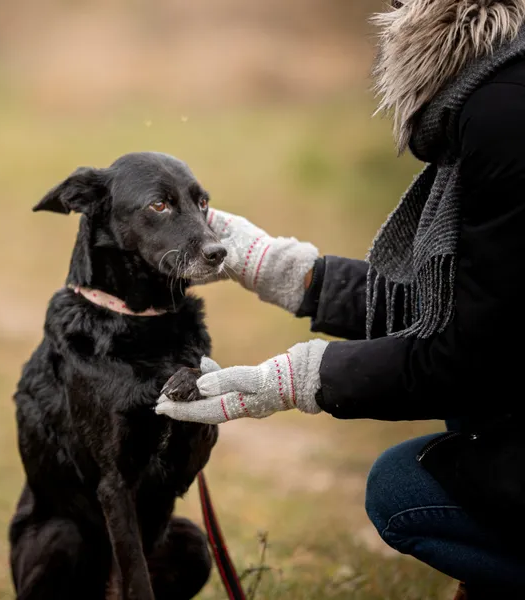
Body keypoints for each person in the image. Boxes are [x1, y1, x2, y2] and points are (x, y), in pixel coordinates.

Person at [157, 0, 525, 597]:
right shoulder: (498, 76)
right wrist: (288, 272)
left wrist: (299, 379)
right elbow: (474, 305)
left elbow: (471, 357)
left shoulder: (503, 108)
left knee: (401, 488)